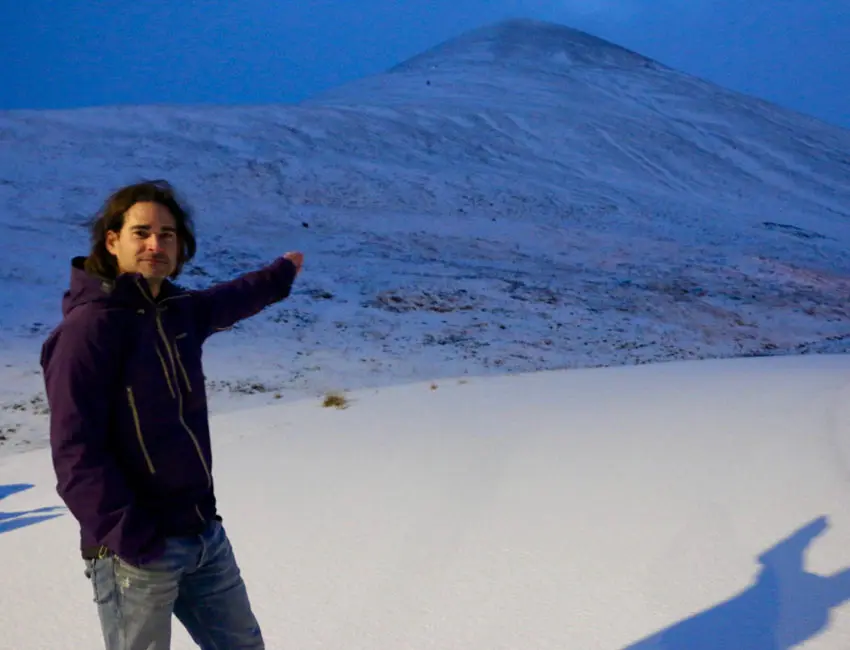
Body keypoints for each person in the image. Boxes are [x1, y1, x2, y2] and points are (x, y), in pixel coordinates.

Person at [40, 179, 303, 649]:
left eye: (168, 234)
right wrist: (133, 537)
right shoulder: (89, 328)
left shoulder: (176, 311)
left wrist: (279, 274)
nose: (155, 244)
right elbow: (75, 452)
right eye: (141, 232)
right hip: (136, 551)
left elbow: (228, 299)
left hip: (203, 533)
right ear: (112, 241)